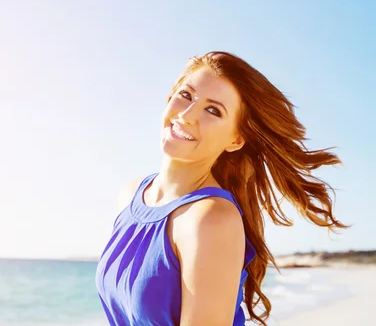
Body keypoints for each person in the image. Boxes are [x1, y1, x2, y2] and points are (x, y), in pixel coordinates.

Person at [95, 51, 347, 326]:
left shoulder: (211, 219)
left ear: (236, 140)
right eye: (186, 95)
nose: (187, 115)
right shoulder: (130, 195)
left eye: (213, 110)